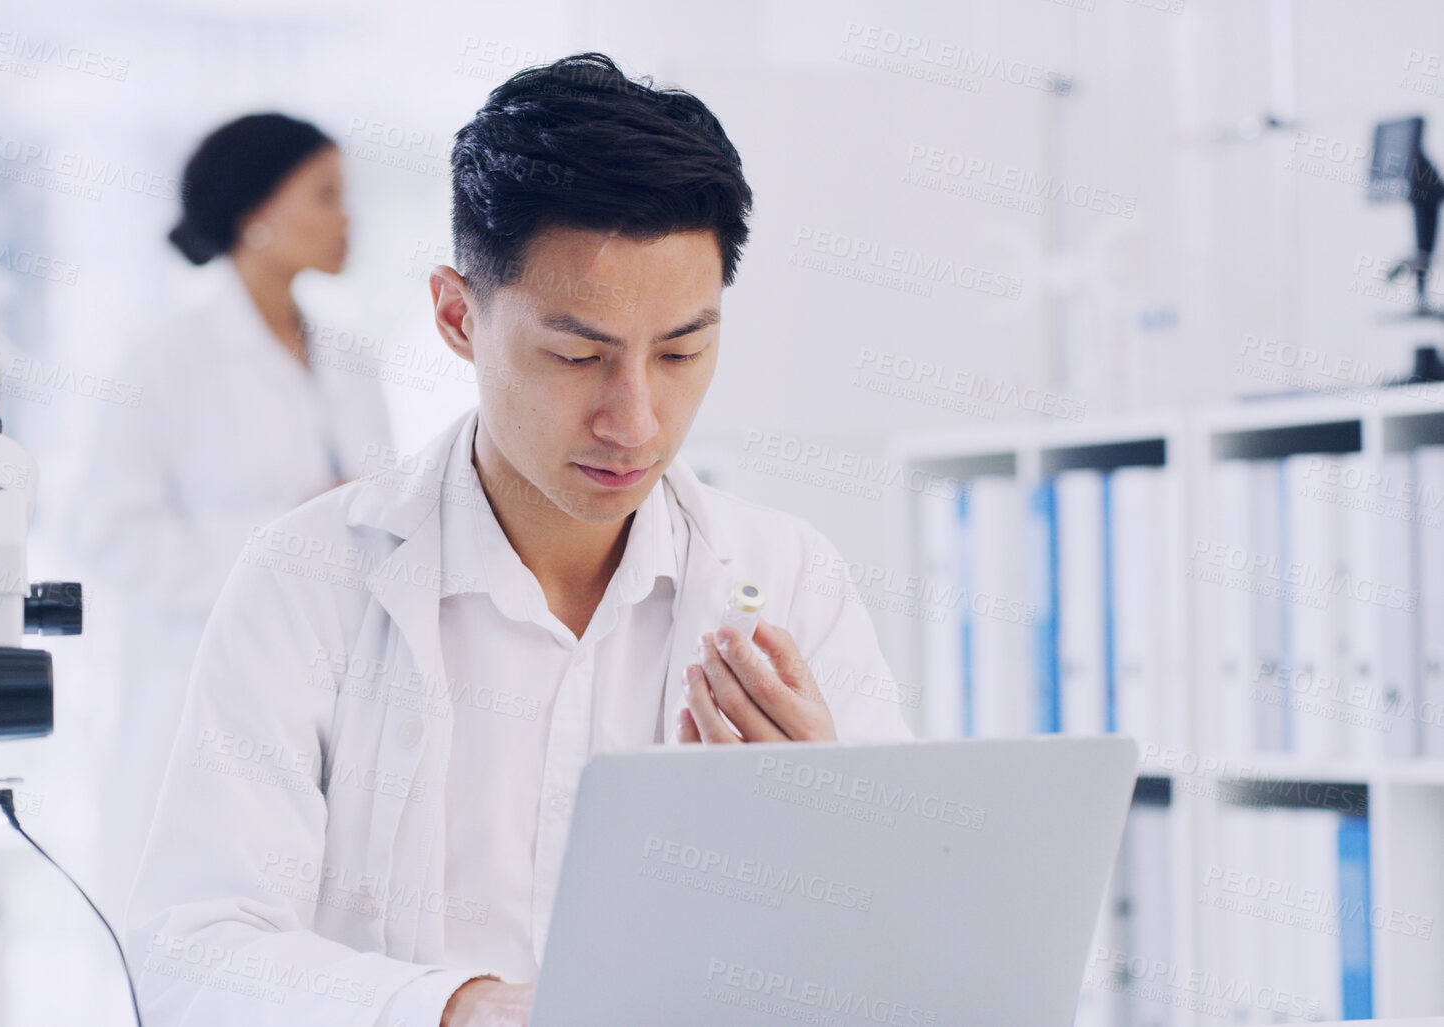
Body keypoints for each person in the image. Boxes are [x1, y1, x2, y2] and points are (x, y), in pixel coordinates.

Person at [125, 55, 912, 1026]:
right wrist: (457, 1009)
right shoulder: (307, 580)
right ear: (458, 316)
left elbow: (899, 962)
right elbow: (192, 955)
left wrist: (830, 847)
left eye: (681, 351)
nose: (635, 420)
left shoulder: (790, 580)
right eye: (577, 355)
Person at [81, 113, 391, 903]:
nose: (346, 218)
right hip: (198, 684)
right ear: (257, 212)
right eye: (325, 195)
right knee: (201, 917)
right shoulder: (166, 357)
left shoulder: (349, 358)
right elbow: (107, 533)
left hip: (338, 686)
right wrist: (281, 538)